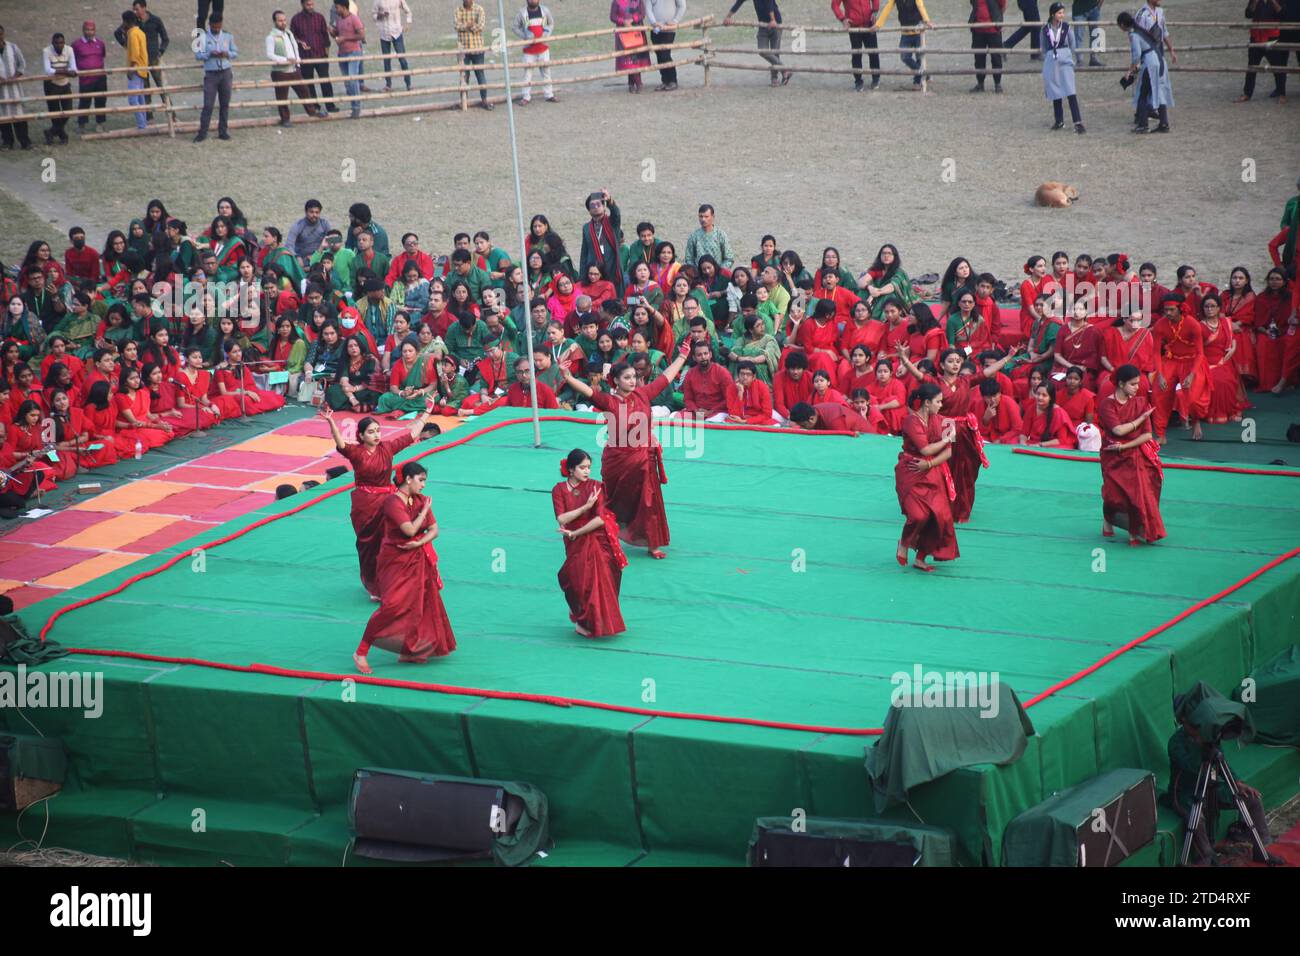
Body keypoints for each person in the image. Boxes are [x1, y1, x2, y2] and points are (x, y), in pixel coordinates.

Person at [559, 341, 690, 558]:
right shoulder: (608, 402)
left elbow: (665, 377)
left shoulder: (643, 394)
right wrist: (568, 376)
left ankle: (651, 543)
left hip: (644, 460)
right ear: (616, 381)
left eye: (634, 378)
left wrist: (682, 357)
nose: (633, 381)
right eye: (627, 378)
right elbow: (588, 391)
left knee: (648, 503)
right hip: (618, 462)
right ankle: (606, 534)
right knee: (615, 503)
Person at [324, 400, 437, 600]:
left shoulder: (387, 448)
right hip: (365, 505)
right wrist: (332, 422)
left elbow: (411, 435)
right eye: (371, 432)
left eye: (378, 431)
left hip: (387, 502)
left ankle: (394, 583)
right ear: (361, 435)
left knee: (390, 542)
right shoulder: (356, 453)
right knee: (368, 545)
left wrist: (427, 411)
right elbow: (340, 444)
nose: (376, 435)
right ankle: (375, 587)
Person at [354, 461, 457, 673]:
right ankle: (361, 651)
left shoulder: (419, 500)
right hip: (395, 560)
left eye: (425, 481)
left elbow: (434, 530)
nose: (424, 485)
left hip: (417, 558)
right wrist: (423, 515)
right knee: (392, 606)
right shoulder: (393, 502)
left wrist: (419, 543)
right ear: (408, 479)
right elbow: (409, 530)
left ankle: (412, 649)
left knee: (419, 603)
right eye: (421, 480)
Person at [1168, 706, 1273, 866]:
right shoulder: (1176, 742)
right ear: (1184, 720)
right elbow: (1190, 765)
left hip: (1212, 787)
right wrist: (1201, 744)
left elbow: (1221, 762)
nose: (1199, 725)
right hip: (1186, 793)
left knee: (1252, 799)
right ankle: (1207, 858)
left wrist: (1237, 783)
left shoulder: (1209, 736)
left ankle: (1262, 849)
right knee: (1197, 819)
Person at [553, 448, 628, 638]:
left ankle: (596, 623)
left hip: (595, 537)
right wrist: (585, 507)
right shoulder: (559, 490)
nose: (587, 471)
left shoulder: (596, 486)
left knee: (597, 580)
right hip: (572, 541)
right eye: (582, 467)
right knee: (573, 580)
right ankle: (582, 619)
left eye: (589, 467)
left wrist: (575, 533)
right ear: (571, 469)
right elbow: (561, 518)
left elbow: (600, 519)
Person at [895, 382, 958, 572]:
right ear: (927, 403)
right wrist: (947, 439)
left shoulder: (948, 422)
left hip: (933, 472)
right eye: (938, 402)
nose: (941, 405)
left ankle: (921, 557)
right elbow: (925, 449)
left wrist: (930, 464)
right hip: (912, 470)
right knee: (918, 515)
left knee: (940, 517)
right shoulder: (910, 421)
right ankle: (905, 542)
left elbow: (948, 453)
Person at [1097, 364, 1162, 543]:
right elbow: (1118, 431)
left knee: (1140, 492)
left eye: (1138, 383)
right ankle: (1108, 519)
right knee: (1114, 496)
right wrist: (1141, 419)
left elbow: (1148, 435)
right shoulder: (1107, 405)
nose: (1137, 387)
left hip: (1134, 452)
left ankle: (1137, 528)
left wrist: (1126, 447)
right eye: (1133, 384)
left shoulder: (1141, 402)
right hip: (1113, 456)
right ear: (1120, 384)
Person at [1151, 293, 1210, 443]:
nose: (1168, 313)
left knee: (1193, 397)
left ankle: (1196, 421)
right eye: (1166, 310)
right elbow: (1156, 353)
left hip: (1192, 362)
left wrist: (1191, 375)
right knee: (1159, 393)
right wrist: (1160, 375)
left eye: (1171, 310)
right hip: (1170, 360)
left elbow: (1200, 353)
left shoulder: (1192, 324)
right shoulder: (1160, 325)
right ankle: (1161, 434)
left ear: (1180, 309)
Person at [1119, 5, 1173, 134]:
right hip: (1159, 59)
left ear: (1122, 25)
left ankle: (1143, 125)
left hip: (1150, 63)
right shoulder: (1141, 30)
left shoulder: (1133, 34)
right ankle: (1164, 123)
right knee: (1158, 91)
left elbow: (1136, 55)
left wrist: (1129, 71)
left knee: (1143, 94)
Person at [267, 9, 321, 127]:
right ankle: (285, 119)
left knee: (304, 90)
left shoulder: (289, 33)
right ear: (275, 22)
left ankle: (312, 111)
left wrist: (297, 62)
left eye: (284, 20)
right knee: (282, 97)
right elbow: (270, 55)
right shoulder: (271, 37)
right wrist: (285, 60)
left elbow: (295, 48)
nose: (283, 22)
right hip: (280, 71)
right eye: (280, 21)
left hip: (294, 69)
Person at [723, 0, 793, 87]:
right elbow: (739, 2)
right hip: (763, 25)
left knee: (775, 53)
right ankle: (785, 71)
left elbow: (769, 2)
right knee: (762, 50)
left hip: (776, 23)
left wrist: (773, 20)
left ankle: (774, 79)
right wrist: (728, 17)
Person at [871, 0, 934, 90]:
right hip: (905, 32)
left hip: (918, 32)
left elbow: (921, 6)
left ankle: (917, 82)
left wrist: (927, 21)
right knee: (904, 56)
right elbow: (887, 9)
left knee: (919, 57)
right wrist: (878, 25)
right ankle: (924, 73)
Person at [194, 13, 237, 143]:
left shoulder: (228, 36)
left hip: (225, 72)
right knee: (208, 105)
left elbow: (235, 52)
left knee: (225, 103)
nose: (217, 29)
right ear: (210, 24)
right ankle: (202, 133)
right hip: (211, 74)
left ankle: (223, 131)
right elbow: (197, 55)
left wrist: (227, 53)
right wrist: (209, 54)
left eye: (219, 27)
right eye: (214, 27)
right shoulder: (202, 37)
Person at [1041, 3, 1083, 133]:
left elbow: (1072, 44)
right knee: (1055, 90)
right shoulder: (1045, 30)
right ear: (1052, 14)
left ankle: (1078, 122)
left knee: (1070, 91)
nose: (1062, 15)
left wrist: (1066, 55)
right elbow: (1043, 48)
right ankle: (1059, 121)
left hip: (1065, 59)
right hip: (1051, 61)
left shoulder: (1066, 27)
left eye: (1063, 13)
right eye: (1059, 13)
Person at [292, 0, 339, 113]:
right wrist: (300, 42)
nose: (310, 6)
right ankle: (314, 106)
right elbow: (292, 36)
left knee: (325, 80)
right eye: (308, 4)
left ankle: (330, 105)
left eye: (312, 4)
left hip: (320, 55)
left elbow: (325, 36)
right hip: (305, 56)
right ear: (302, 4)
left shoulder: (319, 17)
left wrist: (326, 53)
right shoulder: (296, 19)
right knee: (308, 82)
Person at [1238, 0, 1287, 103]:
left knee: (1278, 67)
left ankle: (1282, 93)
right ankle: (1247, 93)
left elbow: (1282, 14)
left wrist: (1273, 2)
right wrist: (1255, 2)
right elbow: (1248, 14)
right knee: (1252, 67)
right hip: (1256, 37)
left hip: (1271, 38)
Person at [580, 190, 625, 299]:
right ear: (589, 210)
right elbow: (584, 253)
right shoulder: (586, 227)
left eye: (598, 204)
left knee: (615, 298)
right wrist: (582, 276)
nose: (595, 207)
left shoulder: (612, 222)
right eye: (592, 205)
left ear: (604, 207)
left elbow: (616, 214)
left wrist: (609, 201)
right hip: (595, 270)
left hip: (613, 266)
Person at [514, 0, 559, 104]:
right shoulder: (522, 13)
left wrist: (547, 32)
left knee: (546, 72)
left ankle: (549, 95)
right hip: (529, 51)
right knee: (527, 74)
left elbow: (551, 23)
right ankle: (526, 97)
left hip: (543, 48)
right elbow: (515, 27)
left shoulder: (545, 11)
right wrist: (525, 36)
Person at [832, 0, 881, 91]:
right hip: (854, 26)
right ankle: (858, 81)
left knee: (874, 52)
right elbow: (834, 5)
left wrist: (875, 10)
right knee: (856, 55)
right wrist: (843, 19)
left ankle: (876, 78)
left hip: (869, 25)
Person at [455, 0, 494, 109]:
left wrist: (466, 26)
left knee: (480, 74)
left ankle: (484, 100)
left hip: (477, 48)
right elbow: (456, 26)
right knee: (464, 76)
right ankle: (464, 101)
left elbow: (480, 26)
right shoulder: (458, 10)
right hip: (463, 49)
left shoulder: (479, 9)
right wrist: (471, 25)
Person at [41, 33, 78, 146]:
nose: (59, 45)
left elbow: (74, 69)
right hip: (51, 84)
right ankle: (62, 136)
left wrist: (61, 71)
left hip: (65, 83)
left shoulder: (69, 50)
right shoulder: (46, 51)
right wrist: (66, 71)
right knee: (55, 112)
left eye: (61, 42)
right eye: (57, 43)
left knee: (68, 111)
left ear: (64, 43)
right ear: (52, 43)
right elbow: (48, 70)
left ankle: (51, 132)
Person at [0, 24, 32, 151]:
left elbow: (22, 63)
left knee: (19, 115)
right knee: (3, 117)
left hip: (15, 89)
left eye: (0, 34)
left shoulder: (13, 47)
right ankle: (8, 142)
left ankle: (25, 142)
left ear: (3, 34)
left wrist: (15, 76)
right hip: (1, 91)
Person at [332, 0, 366, 117]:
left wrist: (345, 38)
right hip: (342, 53)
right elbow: (337, 34)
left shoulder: (354, 19)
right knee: (347, 82)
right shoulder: (338, 20)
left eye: (337, 7)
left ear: (343, 7)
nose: (336, 10)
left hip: (353, 52)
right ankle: (353, 105)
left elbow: (361, 35)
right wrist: (332, 32)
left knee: (352, 80)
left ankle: (356, 107)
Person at [72, 21, 108, 130]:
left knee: (101, 100)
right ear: (83, 30)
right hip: (85, 79)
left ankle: (100, 124)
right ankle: (81, 124)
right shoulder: (76, 44)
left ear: (95, 30)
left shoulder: (100, 43)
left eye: (91, 30)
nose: (89, 32)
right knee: (84, 101)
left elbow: (102, 56)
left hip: (100, 77)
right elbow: (72, 59)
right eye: (87, 29)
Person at [611, 0, 652, 94]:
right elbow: (613, 17)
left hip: (637, 31)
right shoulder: (616, 2)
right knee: (628, 58)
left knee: (636, 57)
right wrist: (623, 21)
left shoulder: (639, 1)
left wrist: (633, 19)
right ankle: (634, 83)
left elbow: (642, 14)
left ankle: (635, 83)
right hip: (624, 33)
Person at [646, 0, 685, 91]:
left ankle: (672, 80)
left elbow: (682, 6)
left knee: (665, 55)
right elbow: (648, 9)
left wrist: (675, 21)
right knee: (659, 55)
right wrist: (654, 22)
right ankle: (665, 80)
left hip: (669, 29)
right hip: (655, 29)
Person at [373, 0, 413, 91]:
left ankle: (408, 84)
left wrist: (408, 23)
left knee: (402, 59)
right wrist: (381, 15)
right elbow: (374, 15)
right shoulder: (377, 1)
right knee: (386, 61)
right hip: (384, 33)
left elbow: (408, 11)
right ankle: (388, 85)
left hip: (397, 32)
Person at [968, 0, 1005, 93]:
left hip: (993, 30)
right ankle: (980, 84)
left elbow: (1002, 5)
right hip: (978, 30)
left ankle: (997, 84)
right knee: (979, 58)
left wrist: (998, 18)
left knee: (996, 57)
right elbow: (973, 3)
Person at [683, 204, 733, 270]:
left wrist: (719, 272)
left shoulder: (721, 235)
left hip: (717, 275)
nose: (703, 219)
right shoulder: (693, 236)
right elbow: (689, 259)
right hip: (699, 276)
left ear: (713, 217)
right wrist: (696, 273)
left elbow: (729, 258)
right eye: (701, 216)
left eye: (706, 217)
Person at [1072, 0, 1103, 68]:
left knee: (1095, 34)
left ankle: (1093, 58)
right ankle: (1079, 61)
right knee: (1078, 36)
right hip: (1079, 10)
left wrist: (1098, 6)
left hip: (1094, 8)